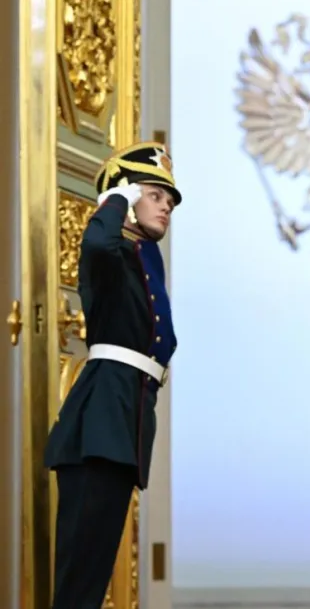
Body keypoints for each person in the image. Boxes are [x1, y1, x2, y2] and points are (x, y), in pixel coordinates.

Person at [43, 141, 181, 608]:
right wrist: (115, 197)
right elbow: (100, 240)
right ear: (123, 197)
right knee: (78, 584)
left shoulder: (145, 257)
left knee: (94, 573)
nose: (166, 205)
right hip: (99, 424)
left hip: (125, 423)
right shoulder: (107, 252)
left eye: (170, 200)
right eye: (155, 194)